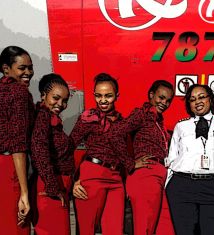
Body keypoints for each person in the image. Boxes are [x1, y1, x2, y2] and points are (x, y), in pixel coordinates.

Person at [166, 84, 214, 235]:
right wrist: (169, 183)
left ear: (210, 100)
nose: (197, 102)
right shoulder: (181, 126)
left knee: (212, 230)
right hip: (182, 185)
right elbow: (172, 157)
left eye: (201, 97)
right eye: (192, 99)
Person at [0, 46, 35, 234]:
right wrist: (25, 193)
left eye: (30, 68)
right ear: (6, 68)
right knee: (15, 229)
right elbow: (18, 144)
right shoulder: (19, 93)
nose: (28, 73)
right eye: (22, 68)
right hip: (7, 168)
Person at [109, 80, 175, 235]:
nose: (164, 103)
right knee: (145, 228)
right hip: (146, 174)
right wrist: (129, 163)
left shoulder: (158, 120)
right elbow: (114, 134)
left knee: (165, 229)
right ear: (151, 95)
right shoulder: (141, 114)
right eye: (161, 97)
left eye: (168, 100)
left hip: (160, 176)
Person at [70, 73, 129, 235]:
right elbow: (68, 149)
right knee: (86, 230)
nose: (103, 100)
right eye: (98, 95)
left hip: (116, 180)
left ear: (117, 96)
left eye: (108, 96)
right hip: (91, 177)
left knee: (115, 231)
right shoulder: (88, 118)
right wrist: (73, 181)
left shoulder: (122, 122)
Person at [30, 73, 74, 235]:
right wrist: (53, 187)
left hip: (55, 186)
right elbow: (39, 150)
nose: (60, 104)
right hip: (49, 188)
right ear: (43, 95)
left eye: (65, 101)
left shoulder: (50, 119)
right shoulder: (42, 117)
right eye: (56, 98)